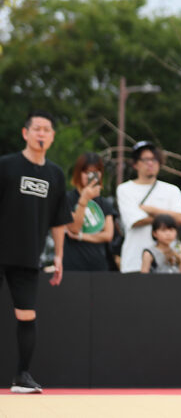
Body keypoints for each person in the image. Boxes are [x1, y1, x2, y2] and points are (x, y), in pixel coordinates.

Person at [0, 111, 72, 394]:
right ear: (25, 133)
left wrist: (59, 256)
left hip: (28, 255)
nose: (41, 133)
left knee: (27, 315)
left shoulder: (56, 174)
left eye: (47, 129)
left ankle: (22, 376)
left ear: (52, 136)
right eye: (37, 128)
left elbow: (59, 220)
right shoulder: (6, 165)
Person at [116, 141, 181, 273]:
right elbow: (135, 221)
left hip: (167, 264)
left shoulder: (172, 190)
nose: (150, 163)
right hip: (134, 261)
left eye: (154, 159)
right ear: (135, 164)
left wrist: (153, 210)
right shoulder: (125, 189)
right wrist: (168, 219)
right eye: (145, 159)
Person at [63, 152, 116, 272]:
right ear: (78, 173)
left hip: (99, 266)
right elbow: (74, 228)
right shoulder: (67, 199)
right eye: (86, 172)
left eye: (95, 172)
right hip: (72, 266)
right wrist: (84, 200)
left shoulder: (104, 203)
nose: (90, 176)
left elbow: (108, 235)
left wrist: (82, 236)